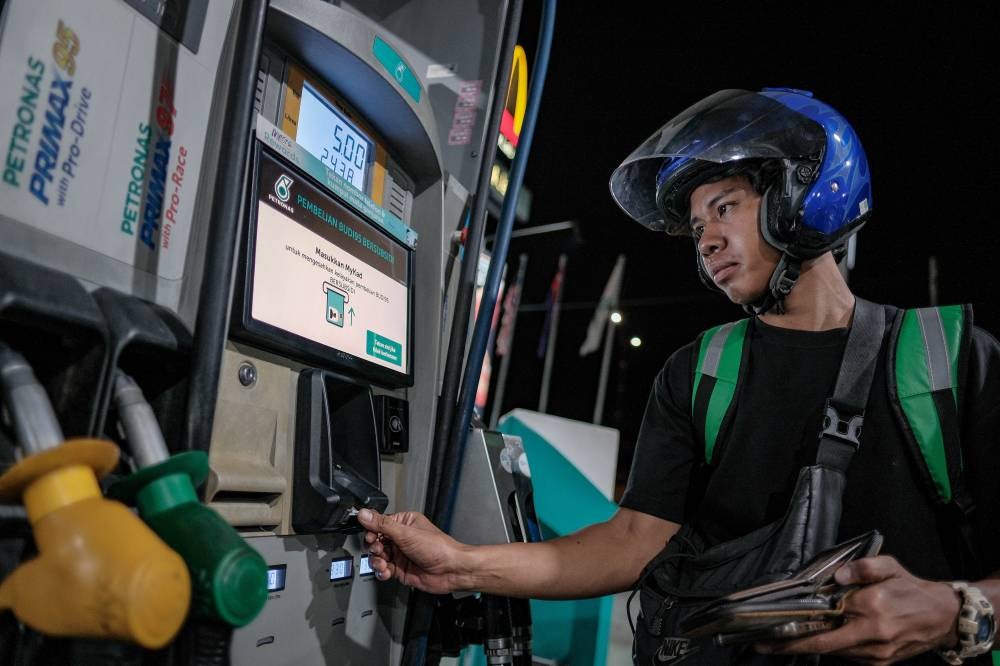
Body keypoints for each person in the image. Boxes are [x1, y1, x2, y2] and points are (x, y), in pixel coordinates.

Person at [359, 88, 1000, 664]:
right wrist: (462, 566)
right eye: (697, 228)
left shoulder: (948, 359)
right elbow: (632, 542)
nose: (707, 241)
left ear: (806, 192)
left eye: (725, 208)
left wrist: (957, 611)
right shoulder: (699, 371)